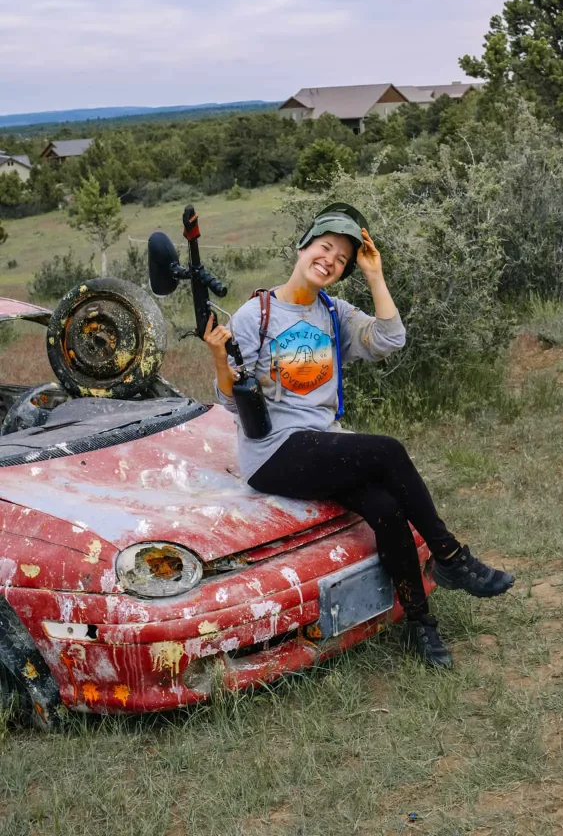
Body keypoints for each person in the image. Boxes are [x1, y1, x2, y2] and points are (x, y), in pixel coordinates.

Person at [206, 203, 514, 668]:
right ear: (303, 246)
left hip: (321, 444)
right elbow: (231, 399)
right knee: (387, 451)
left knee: (387, 509)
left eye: (342, 260)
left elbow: (390, 339)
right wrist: (216, 357)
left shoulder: (334, 313)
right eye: (324, 248)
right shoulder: (257, 314)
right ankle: (450, 555)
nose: (330, 260)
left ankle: (420, 626)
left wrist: (374, 275)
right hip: (273, 453)